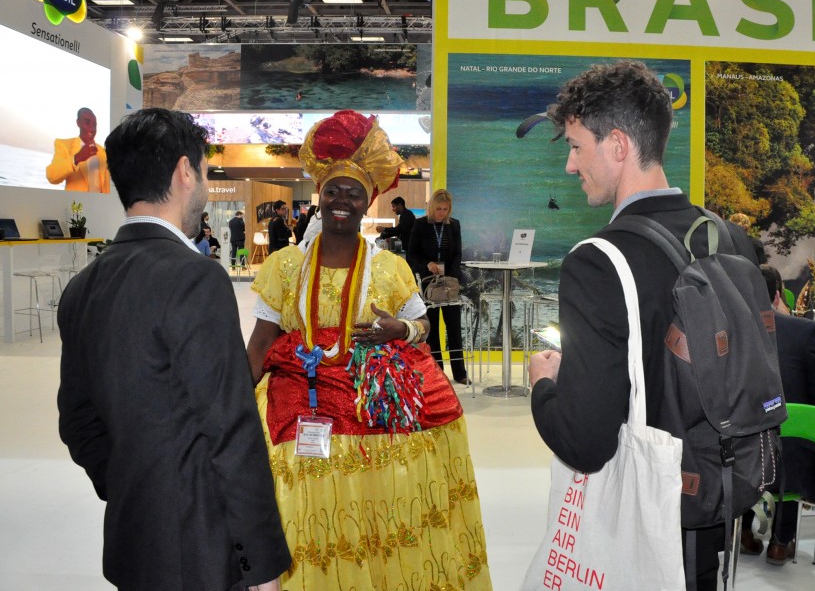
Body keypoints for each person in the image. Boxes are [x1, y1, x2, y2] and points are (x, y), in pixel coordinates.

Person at [528, 60, 758, 591]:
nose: (569, 165)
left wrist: (543, 382)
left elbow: (585, 442)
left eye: (576, 146)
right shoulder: (729, 238)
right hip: (715, 498)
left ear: (617, 145)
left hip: (644, 520)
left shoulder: (598, 262)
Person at [245, 111, 491, 590]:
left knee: (383, 518)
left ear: (367, 201)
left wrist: (401, 330)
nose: (342, 200)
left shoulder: (390, 267)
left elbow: (421, 323)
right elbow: (259, 344)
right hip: (298, 404)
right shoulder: (286, 267)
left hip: (370, 401)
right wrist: (227, 407)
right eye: (333, 190)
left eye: (353, 192)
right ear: (319, 195)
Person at [56, 108, 290, 590]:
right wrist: (261, 564)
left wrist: (130, 485)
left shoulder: (83, 287)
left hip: (133, 541)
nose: (204, 185)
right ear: (185, 171)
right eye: (204, 171)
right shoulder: (195, 278)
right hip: (203, 552)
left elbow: (78, 421)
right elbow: (231, 429)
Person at [740, 265, 815, 564]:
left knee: (755, 441)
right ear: (777, 294)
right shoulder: (804, 331)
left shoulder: (731, 332)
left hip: (746, 456)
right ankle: (781, 542)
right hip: (792, 457)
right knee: (798, 439)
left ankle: (744, 531)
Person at [406, 189, 470, 385]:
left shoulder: (454, 225)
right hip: (428, 285)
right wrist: (427, 265)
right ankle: (438, 372)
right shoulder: (420, 224)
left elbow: (457, 254)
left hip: (449, 283)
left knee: (454, 329)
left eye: (445, 209)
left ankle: (460, 373)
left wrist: (450, 275)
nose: (442, 212)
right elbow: (412, 255)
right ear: (432, 207)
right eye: (439, 209)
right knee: (432, 330)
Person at [46, 107, 111, 193]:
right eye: (87, 122)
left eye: (94, 125)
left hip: (100, 204)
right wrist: (76, 158)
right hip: (78, 205)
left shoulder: (103, 152)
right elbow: (52, 176)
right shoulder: (64, 145)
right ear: (78, 123)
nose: (92, 128)